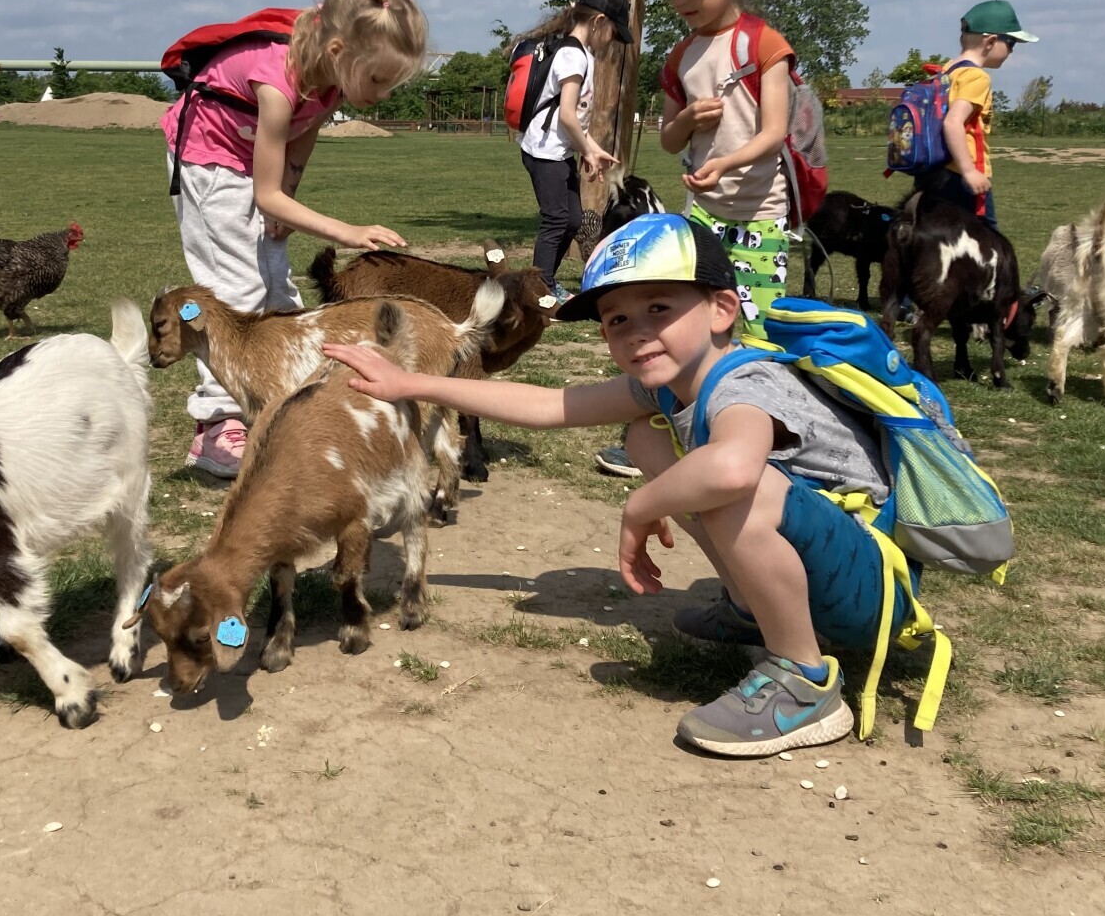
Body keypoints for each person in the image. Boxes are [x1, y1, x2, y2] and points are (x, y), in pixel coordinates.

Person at [329, 212, 879, 755]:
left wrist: (641, 506)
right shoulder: (669, 384)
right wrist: (411, 383)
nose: (636, 332)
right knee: (645, 438)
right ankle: (752, 608)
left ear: (722, 309)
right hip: (831, 572)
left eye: (658, 308)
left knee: (736, 488)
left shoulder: (745, 383)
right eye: (617, 319)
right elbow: (549, 405)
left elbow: (734, 468)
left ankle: (804, 680)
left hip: (870, 591)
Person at [161, 0, 427, 478]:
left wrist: (288, 197)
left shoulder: (331, 80)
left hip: (252, 161)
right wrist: (346, 231)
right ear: (338, 51)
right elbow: (268, 195)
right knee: (234, 291)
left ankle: (292, 402)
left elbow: (300, 140)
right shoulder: (277, 81)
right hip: (208, 159)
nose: (383, 94)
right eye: (377, 80)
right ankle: (216, 424)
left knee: (277, 288)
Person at [630, 0, 796, 336]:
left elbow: (774, 134)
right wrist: (686, 118)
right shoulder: (681, 56)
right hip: (703, 213)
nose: (680, 0)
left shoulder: (765, 44)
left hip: (760, 213)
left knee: (762, 330)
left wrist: (725, 163)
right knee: (696, 324)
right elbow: (669, 140)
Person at [513, 0, 631, 299]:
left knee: (573, 220)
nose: (612, 41)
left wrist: (593, 149)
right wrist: (587, 152)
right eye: (613, 33)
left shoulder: (581, 54)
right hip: (544, 152)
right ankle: (538, 292)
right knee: (556, 220)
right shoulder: (572, 55)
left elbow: (573, 118)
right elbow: (566, 114)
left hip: (558, 151)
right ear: (599, 21)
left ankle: (546, 282)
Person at [919, 0, 1037, 229]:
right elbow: (953, 122)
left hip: (933, 172)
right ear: (991, 41)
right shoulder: (977, 77)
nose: (1012, 51)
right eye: (1011, 43)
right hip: (959, 178)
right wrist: (969, 171)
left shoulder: (947, 71)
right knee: (989, 239)